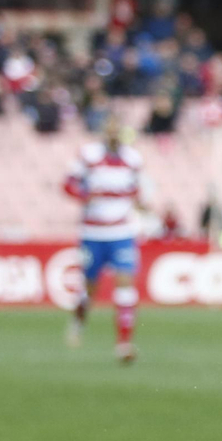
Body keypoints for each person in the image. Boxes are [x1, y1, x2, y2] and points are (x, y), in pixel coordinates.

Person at [63, 119, 147, 363]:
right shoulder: (88, 155)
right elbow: (67, 184)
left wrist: (136, 200)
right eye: (110, 131)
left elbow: (136, 189)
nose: (114, 135)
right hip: (93, 233)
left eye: (117, 131)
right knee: (90, 288)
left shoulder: (133, 159)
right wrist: (84, 196)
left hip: (122, 231)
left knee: (125, 283)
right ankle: (78, 323)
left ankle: (124, 343)